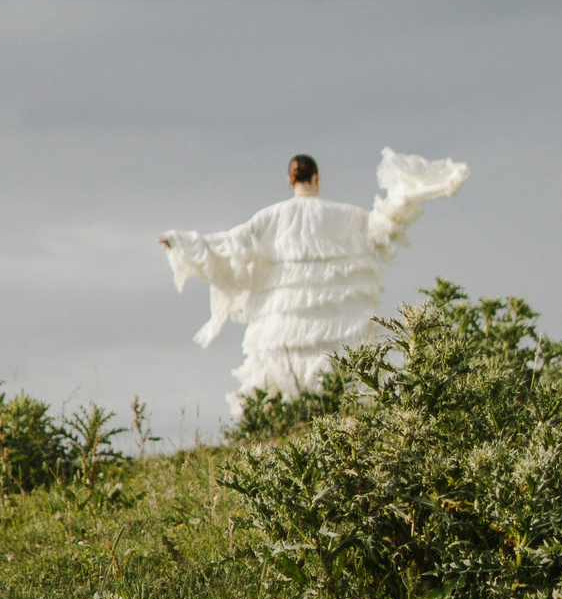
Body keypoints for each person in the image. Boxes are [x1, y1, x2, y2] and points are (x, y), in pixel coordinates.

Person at [158, 149, 469, 408]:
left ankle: (285, 421)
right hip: (335, 321)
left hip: (282, 323)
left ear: (290, 180)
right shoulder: (346, 215)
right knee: (339, 368)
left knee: (279, 376)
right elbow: (382, 223)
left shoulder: (269, 218)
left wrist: (180, 241)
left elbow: (226, 244)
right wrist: (417, 190)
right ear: (317, 179)